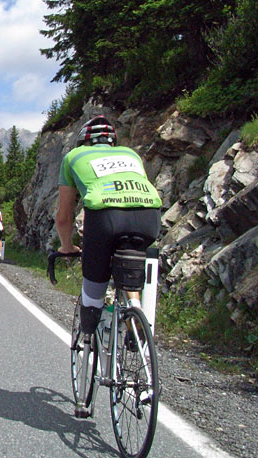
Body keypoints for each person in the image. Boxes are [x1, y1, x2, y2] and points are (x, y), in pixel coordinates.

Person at [55, 115, 162, 344]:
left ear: (83, 141)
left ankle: (89, 325)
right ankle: (135, 310)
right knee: (129, 258)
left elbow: (64, 216)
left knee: (95, 276)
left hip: (105, 216)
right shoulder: (131, 154)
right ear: (113, 141)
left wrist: (67, 246)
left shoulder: (74, 156)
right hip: (149, 214)